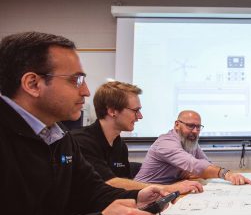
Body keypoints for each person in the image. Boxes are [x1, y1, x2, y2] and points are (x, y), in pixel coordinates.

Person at [0, 31, 170, 215]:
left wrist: (138, 197)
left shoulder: (58, 136)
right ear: (33, 84)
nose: (86, 92)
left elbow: (92, 192)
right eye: (75, 80)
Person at [72, 81, 203, 193]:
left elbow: (123, 189)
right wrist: (169, 189)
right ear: (112, 111)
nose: (140, 116)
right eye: (135, 110)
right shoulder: (81, 142)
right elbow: (109, 183)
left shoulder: (119, 145)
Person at [135, 110, 251, 185]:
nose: (195, 131)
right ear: (177, 124)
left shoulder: (189, 142)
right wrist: (227, 174)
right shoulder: (166, 142)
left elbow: (206, 164)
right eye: (191, 126)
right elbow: (196, 165)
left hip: (168, 188)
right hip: (144, 191)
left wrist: (198, 170)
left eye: (198, 127)